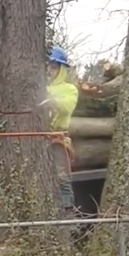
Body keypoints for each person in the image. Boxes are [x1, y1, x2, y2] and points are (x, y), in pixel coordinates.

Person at [44, 46, 79, 212]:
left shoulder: (69, 89)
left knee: (62, 176)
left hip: (58, 139)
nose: (51, 70)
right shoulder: (42, 88)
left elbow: (67, 107)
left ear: (62, 69)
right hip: (39, 138)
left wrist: (54, 102)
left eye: (55, 66)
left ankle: (67, 211)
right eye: (49, 66)